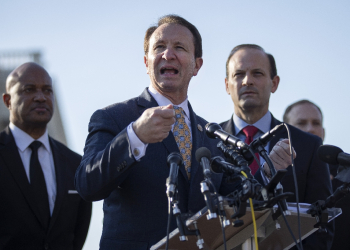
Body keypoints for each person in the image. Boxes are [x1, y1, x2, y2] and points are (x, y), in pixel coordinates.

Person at [75, 15, 236, 250]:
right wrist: (134, 137)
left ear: (197, 65)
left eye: (179, 47)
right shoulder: (114, 118)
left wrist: (266, 171)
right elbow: (87, 184)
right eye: (159, 47)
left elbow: (232, 199)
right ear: (146, 62)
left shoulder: (212, 134)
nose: (167, 54)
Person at [220, 44, 333, 249]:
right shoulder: (209, 143)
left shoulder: (307, 145)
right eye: (238, 74)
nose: (247, 81)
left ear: (274, 83)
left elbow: (322, 222)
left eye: (257, 73)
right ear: (227, 85)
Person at [0, 62, 92, 250]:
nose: (41, 97)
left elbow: (77, 235)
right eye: (29, 89)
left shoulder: (75, 164)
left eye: (48, 90)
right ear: (8, 101)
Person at [284, 99, 350, 250]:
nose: (310, 129)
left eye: (316, 123)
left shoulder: (346, 175)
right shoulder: (274, 174)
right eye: (301, 123)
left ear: (323, 132)